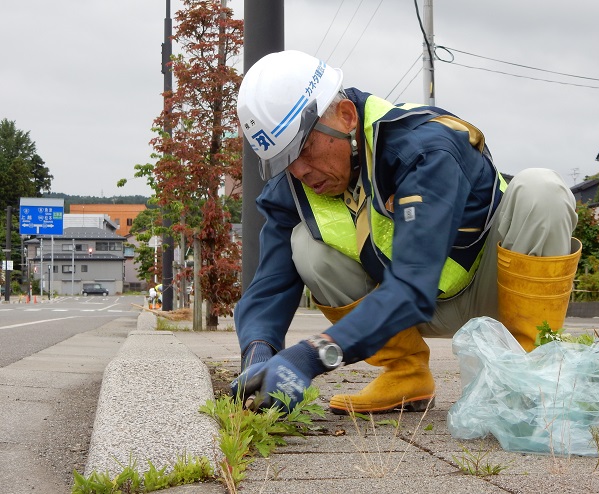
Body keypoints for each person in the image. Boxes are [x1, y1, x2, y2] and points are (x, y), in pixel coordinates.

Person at [231, 50, 580, 415]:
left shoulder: (424, 146)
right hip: (401, 312)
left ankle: (528, 375)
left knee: (543, 190)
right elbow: (268, 287)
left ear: (346, 117)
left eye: (303, 149)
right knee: (305, 246)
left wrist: (311, 356)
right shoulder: (294, 188)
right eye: (284, 162)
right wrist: (259, 356)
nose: (301, 172)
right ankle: (406, 376)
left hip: (487, 289)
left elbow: (414, 284)